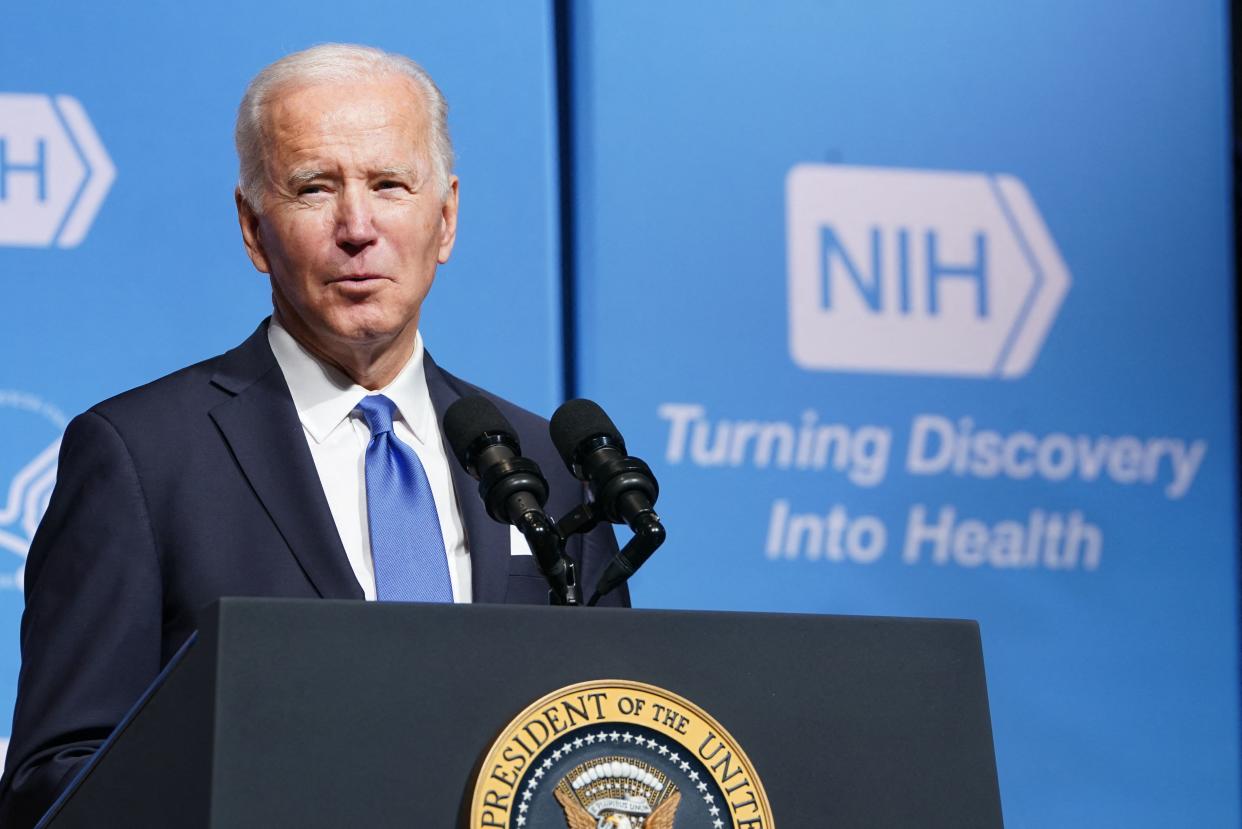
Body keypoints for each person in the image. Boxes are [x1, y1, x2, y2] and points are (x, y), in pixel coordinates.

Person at [0, 43, 626, 827]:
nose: (357, 227)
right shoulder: (142, 457)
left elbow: (611, 748)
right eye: (313, 188)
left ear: (447, 217)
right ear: (254, 229)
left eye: (390, 184)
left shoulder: (547, 469)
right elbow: (52, 783)